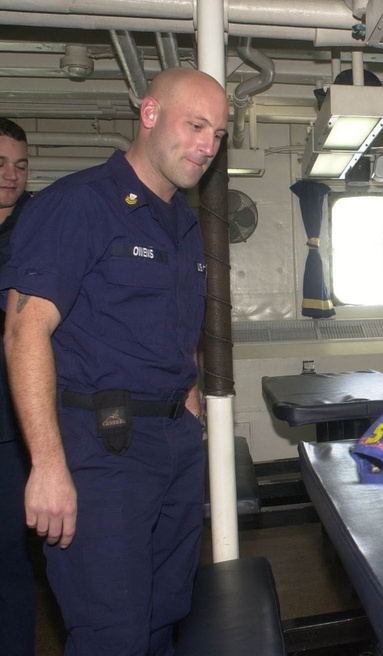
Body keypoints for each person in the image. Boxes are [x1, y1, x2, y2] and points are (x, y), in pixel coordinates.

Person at [1, 67, 228, 655]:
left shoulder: (181, 222)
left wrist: (192, 406)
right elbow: (25, 331)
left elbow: (179, 334)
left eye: (219, 134)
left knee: (162, 616)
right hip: (102, 452)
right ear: (149, 115)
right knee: (113, 633)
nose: (208, 144)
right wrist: (47, 466)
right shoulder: (77, 204)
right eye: (196, 125)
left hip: (172, 447)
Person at [0, 117, 34, 656]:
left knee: (11, 559)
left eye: (20, 165)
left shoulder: (40, 228)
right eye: (0, 163)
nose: (10, 174)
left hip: (13, 426)